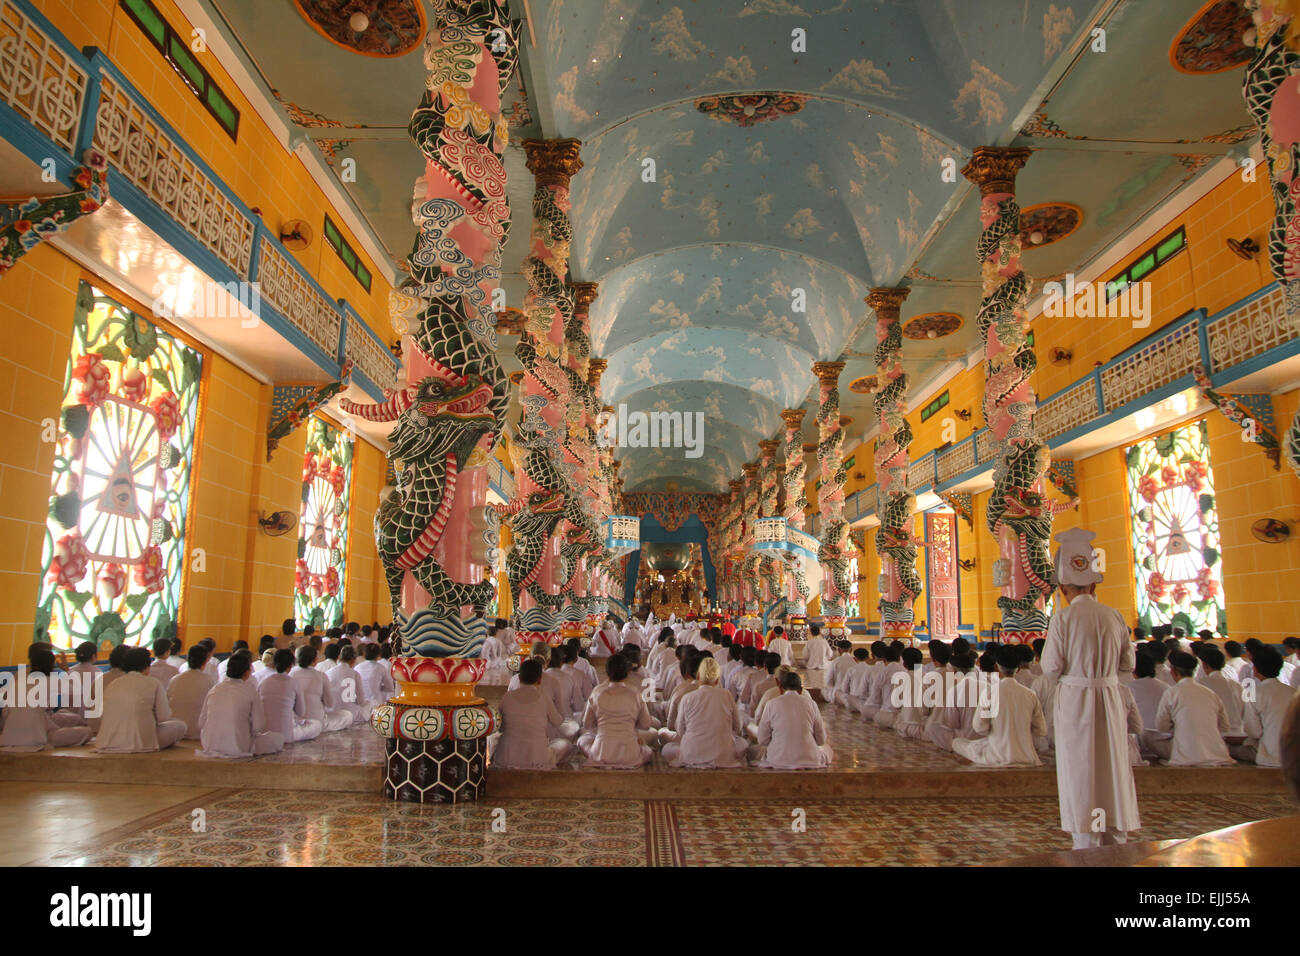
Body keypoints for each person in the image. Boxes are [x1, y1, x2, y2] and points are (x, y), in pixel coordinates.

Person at [1039, 528, 1140, 850]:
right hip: (1109, 696)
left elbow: (1051, 667)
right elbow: (1127, 666)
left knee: (1079, 767)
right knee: (1112, 764)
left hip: (1075, 698)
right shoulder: (1114, 616)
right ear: (1093, 584)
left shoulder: (1063, 619)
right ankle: (1115, 832)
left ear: (1063, 587)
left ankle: (1086, 837)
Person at [953, 645, 1046, 767]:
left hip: (996, 754)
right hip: (1027, 756)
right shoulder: (1030, 694)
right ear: (1018, 669)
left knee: (957, 743)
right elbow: (1041, 730)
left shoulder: (989, 693)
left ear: (996, 667)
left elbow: (980, 727)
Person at [1143, 651, 1234, 767]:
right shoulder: (1210, 693)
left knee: (1146, 735)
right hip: (1217, 753)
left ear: (1173, 672)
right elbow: (1224, 727)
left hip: (1185, 755)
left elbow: (1161, 726)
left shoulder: (1171, 692)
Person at [95, 647, 187, 752]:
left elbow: (102, 715)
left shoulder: (113, 684)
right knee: (180, 726)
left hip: (108, 742)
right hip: (140, 743)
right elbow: (164, 716)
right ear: (147, 666)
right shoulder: (154, 683)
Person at [0, 647, 92, 751]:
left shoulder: (18, 683)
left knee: (60, 715)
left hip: (8, 738)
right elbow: (78, 690)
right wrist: (66, 669)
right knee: (87, 732)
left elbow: (5, 713)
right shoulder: (50, 680)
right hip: (37, 738)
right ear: (51, 665)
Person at [662, 657, 747, 767]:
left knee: (666, 749)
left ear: (698, 677)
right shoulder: (726, 695)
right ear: (717, 680)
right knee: (743, 744)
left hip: (692, 754)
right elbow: (738, 727)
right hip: (722, 755)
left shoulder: (687, 698)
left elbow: (680, 730)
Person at [197, 652, 284, 758]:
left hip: (209, 744)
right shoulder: (250, 691)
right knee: (278, 738)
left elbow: (201, 722)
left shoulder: (215, 689)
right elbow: (259, 727)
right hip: (240, 746)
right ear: (247, 672)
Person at [492, 658, 573, 769]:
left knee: (494, 739)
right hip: (536, 757)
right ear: (540, 680)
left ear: (519, 678)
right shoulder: (544, 697)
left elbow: (500, 728)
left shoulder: (507, 697)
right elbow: (558, 722)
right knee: (566, 745)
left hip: (507, 757)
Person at [576, 653, 653, 768]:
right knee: (648, 751)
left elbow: (587, 724)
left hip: (601, 752)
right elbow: (646, 725)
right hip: (630, 754)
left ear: (607, 672)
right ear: (627, 673)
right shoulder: (635, 693)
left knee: (582, 741)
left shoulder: (597, 692)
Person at [751, 671, 833, 769]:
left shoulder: (771, 704)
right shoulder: (811, 704)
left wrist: (779, 742)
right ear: (801, 690)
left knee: (753, 751)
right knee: (827, 749)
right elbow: (821, 740)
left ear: (780, 688)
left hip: (778, 759)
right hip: (809, 759)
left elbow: (762, 740)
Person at [1237, 646, 1293, 767]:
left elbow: (1253, 732)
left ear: (1255, 669)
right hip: (1294, 757)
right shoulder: (1293, 693)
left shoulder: (1254, 693)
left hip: (1269, 759)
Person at [259, 649, 323, 744]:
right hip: (286, 734)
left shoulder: (264, 682)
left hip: (265, 732)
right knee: (317, 724)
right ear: (290, 666)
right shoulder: (293, 683)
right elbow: (301, 712)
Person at [290, 645, 353, 733]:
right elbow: (330, 704)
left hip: (295, 721)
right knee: (348, 715)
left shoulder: (291, 675)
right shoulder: (321, 676)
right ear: (315, 660)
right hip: (317, 721)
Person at [167, 645, 217, 740]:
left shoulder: (175, 679)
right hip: (197, 731)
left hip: (175, 730)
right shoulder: (208, 680)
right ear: (206, 660)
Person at [326, 644, 370, 725]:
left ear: (339, 657)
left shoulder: (329, 672)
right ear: (353, 660)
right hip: (350, 713)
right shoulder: (355, 674)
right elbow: (361, 701)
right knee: (371, 704)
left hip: (332, 712)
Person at [355, 642, 395, 710]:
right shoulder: (381, 668)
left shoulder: (357, 667)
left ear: (364, 654)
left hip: (360, 705)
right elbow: (390, 688)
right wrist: (377, 687)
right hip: (376, 704)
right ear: (379, 654)